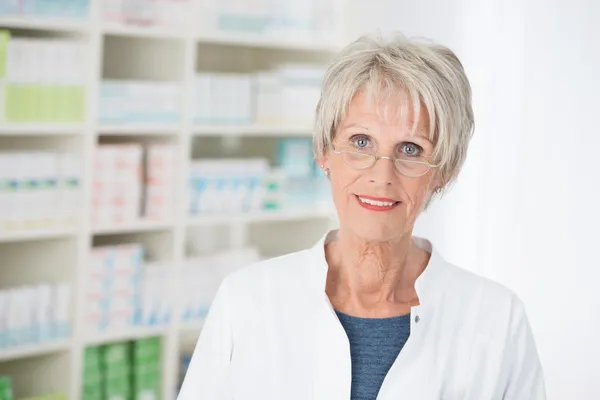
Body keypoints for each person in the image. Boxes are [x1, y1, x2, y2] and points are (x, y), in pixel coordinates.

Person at [177, 34, 546, 400]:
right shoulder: (246, 300)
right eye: (361, 142)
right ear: (324, 151)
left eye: (410, 148)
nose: (381, 175)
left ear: (443, 170)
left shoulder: (497, 321)